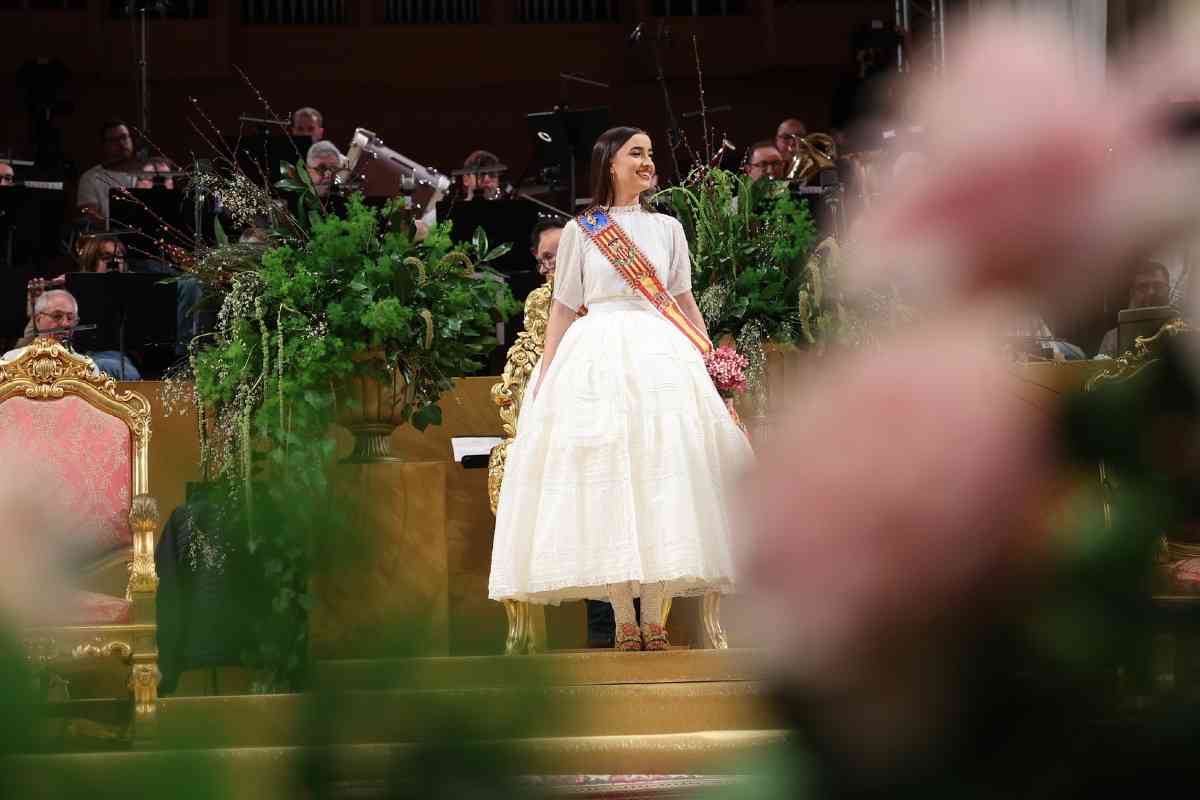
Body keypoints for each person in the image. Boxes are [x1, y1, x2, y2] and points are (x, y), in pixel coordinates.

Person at [488, 126, 753, 651]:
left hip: (661, 355)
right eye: (636, 153)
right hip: (598, 357)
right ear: (610, 162)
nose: (647, 162)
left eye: (650, 154)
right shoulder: (582, 230)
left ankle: (653, 617)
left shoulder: (668, 228)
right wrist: (547, 372)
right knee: (606, 480)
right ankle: (622, 619)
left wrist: (709, 357)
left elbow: (682, 299)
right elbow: (564, 306)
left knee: (661, 477)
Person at [2, 289, 140, 380]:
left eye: (70, 318)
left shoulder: (87, 367)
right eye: (57, 316)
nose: (65, 324)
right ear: (38, 320)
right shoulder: (10, 361)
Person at [1096, 260, 1172, 357]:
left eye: (1158, 286)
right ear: (1132, 293)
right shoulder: (1113, 339)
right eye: (1143, 287)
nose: (1151, 292)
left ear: (1168, 290)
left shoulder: (1186, 330)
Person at [76, 119, 139, 224]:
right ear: (104, 145)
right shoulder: (90, 178)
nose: (121, 143)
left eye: (124, 137)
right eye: (114, 140)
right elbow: (91, 216)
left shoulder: (148, 173)